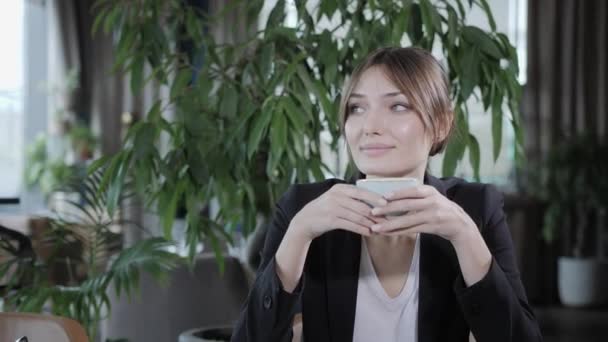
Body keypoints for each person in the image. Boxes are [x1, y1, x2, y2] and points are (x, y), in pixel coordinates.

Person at [231, 47, 542, 342]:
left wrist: (464, 235)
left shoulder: (476, 207)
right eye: (357, 108)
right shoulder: (304, 207)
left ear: (442, 123)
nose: (370, 126)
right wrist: (298, 235)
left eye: (398, 106)